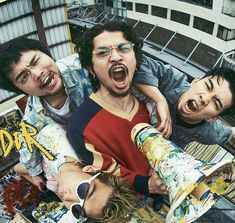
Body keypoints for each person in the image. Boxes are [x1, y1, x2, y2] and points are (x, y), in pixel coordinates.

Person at [0, 37, 171, 190]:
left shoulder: (82, 65)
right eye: (23, 77)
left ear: (47, 54)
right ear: (20, 89)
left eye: (36, 61)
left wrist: (158, 98)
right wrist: (34, 174)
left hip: (128, 133)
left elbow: (134, 64)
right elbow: (28, 154)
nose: (37, 74)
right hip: (96, 157)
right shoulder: (33, 119)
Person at [67, 21, 167, 200]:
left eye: (124, 48)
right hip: (131, 202)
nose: (115, 57)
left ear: (136, 61)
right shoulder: (80, 127)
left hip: (162, 186)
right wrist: (146, 185)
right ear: (91, 69)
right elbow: (106, 173)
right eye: (103, 52)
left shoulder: (153, 106)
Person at [133, 58, 235, 149]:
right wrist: (159, 100)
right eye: (208, 86)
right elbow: (135, 59)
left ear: (212, 118)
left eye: (216, 103)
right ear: (195, 81)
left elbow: (230, 133)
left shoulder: (210, 132)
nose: (205, 98)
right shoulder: (172, 80)